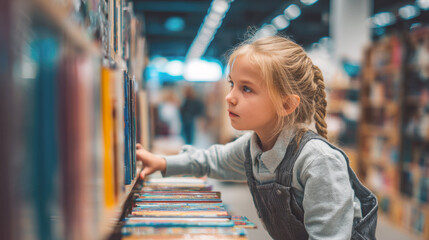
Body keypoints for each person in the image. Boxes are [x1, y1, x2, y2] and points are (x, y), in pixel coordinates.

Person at [136, 35, 378, 240]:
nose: (230, 97)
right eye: (232, 84)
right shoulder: (254, 147)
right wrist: (163, 163)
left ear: (286, 104)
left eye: (246, 89)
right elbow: (213, 160)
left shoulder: (319, 162)